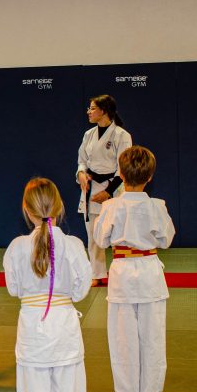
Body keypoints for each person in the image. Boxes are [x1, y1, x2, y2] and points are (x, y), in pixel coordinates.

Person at [3, 178, 92, 392]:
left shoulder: (17, 248)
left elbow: (14, 289)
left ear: (26, 210)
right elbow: (81, 290)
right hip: (64, 326)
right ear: (59, 207)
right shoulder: (74, 245)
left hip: (32, 328)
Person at [94, 146, 175, 392]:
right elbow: (166, 239)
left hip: (122, 273)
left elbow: (100, 239)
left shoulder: (110, 206)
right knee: (153, 336)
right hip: (150, 270)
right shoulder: (157, 206)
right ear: (150, 176)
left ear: (120, 173)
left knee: (123, 337)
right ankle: (150, 391)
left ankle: (127, 391)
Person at [76, 95, 132, 286]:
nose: (88, 111)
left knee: (118, 234)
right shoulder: (88, 134)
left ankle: (120, 273)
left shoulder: (122, 135)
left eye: (92, 108)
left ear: (103, 111)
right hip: (91, 188)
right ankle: (97, 273)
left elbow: (123, 167)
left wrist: (108, 191)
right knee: (93, 234)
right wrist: (81, 173)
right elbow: (82, 160)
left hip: (113, 189)